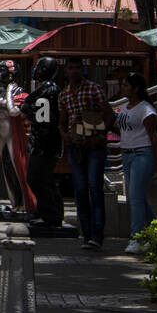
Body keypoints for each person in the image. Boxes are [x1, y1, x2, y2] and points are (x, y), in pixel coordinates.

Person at [59, 56, 116, 250]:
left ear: (82, 69)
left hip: (94, 146)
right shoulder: (64, 94)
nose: (74, 71)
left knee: (94, 187)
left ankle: (97, 235)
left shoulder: (93, 89)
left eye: (77, 67)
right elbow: (62, 121)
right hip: (75, 147)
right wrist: (65, 135)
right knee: (81, 190)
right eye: (71, 67)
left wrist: (100, 136)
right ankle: (86, 234)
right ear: (66, 70)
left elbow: (109, 115)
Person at [116, 72, 157, 254]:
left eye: (126, 85)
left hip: (142, 153)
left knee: (136, 197)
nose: (122, 88)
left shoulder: (146, 109)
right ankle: (155, 232)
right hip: (127, 154)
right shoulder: (124, 107)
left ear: (136, 89)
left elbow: (154, 136)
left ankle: (136, 237)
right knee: (136, 197)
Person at [22, 57, 65, 227]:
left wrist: (28, 110)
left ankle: (51, 214)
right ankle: (50, 213)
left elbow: (40, 116)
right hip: (44, 141)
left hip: (44, 142)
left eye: (39, 68)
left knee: (37, 178)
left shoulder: (46, 91)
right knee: (42, 178)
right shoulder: (49, 90)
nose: (36, 71)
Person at [0, 60, 34, 213]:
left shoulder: (18, 92)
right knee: (7, 168)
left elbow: (14, 111)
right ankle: (15, 202)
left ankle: (25, 202)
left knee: (19, 167)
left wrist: (9, 91)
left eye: (3, 70)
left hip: (14, 134)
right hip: (2, 135)